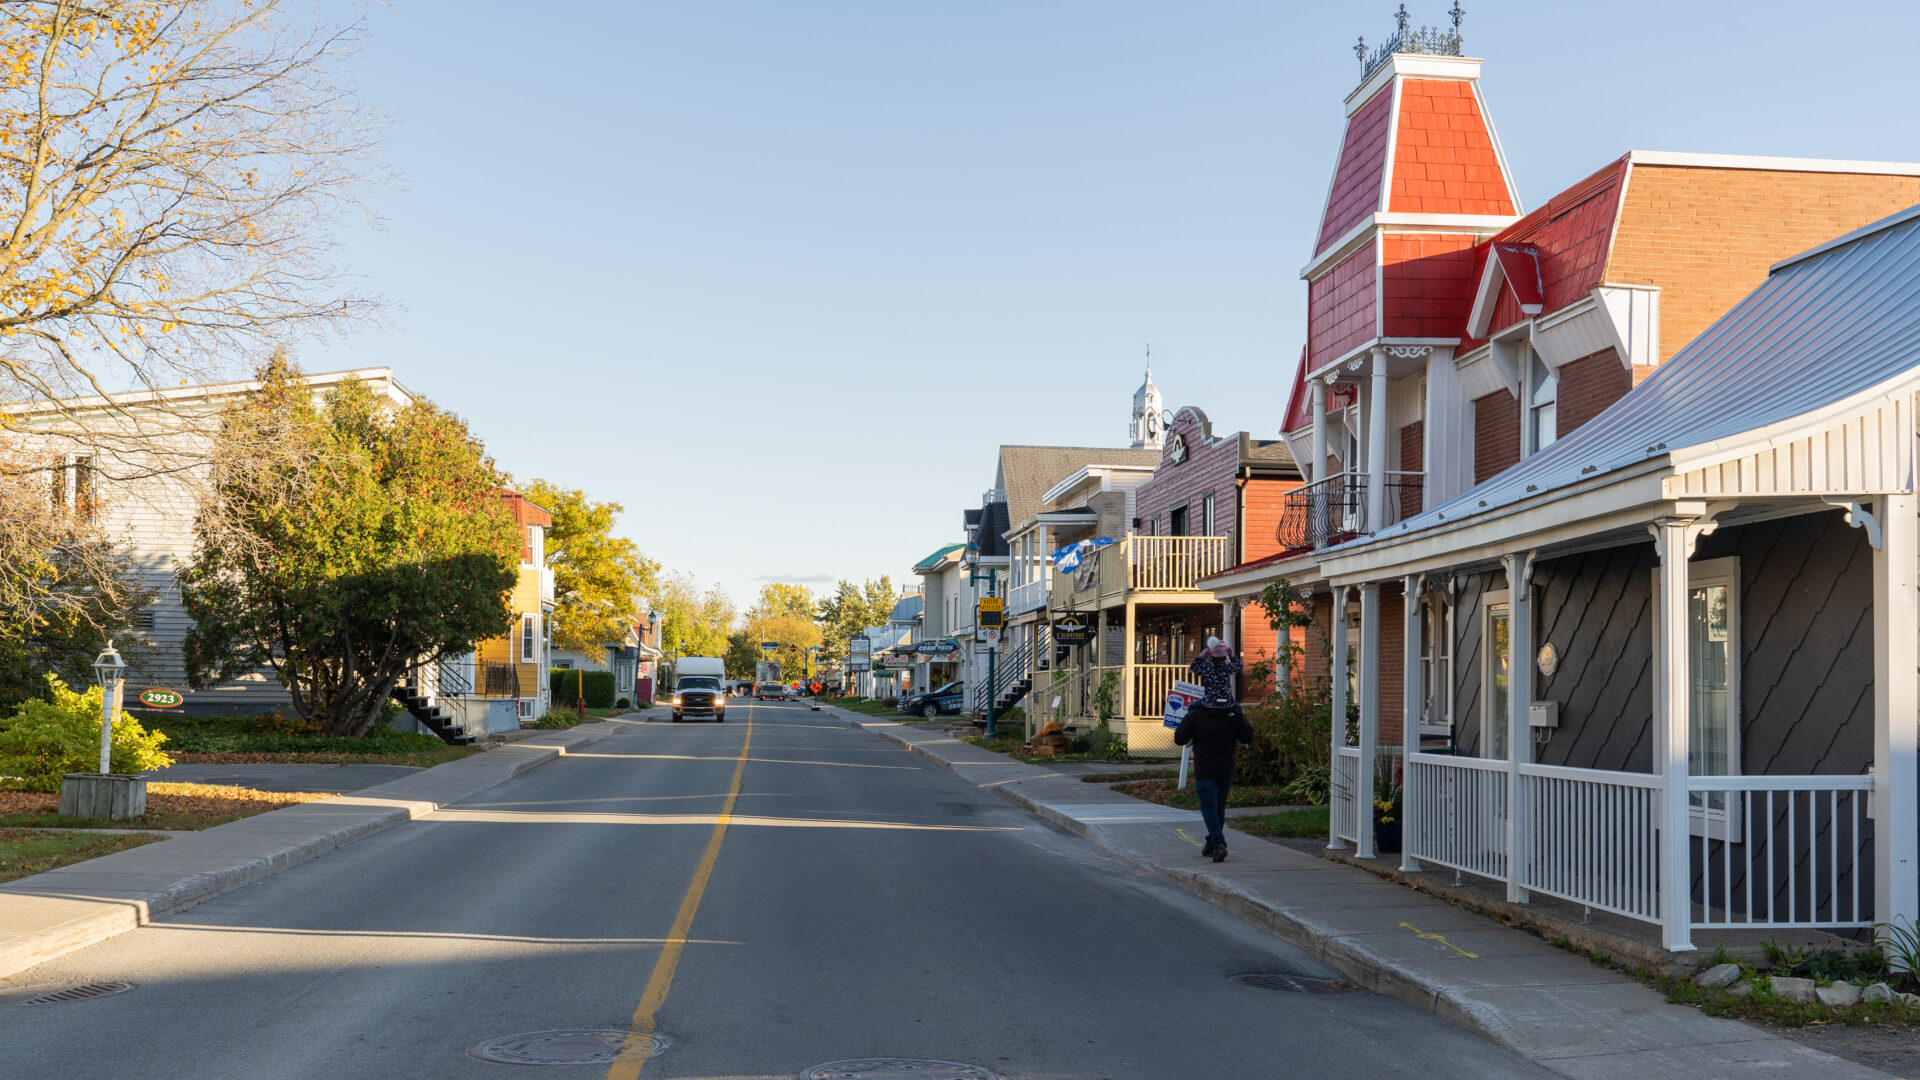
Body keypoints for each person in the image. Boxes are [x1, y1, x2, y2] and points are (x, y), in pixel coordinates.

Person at [1173, 635, 1253, 862]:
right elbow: (1248, 736)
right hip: (1226, 767)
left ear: (1211, 659)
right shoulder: (1234, 707)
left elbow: (1194, 666)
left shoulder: (1197, 711)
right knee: (1218, 808)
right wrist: (1230, 652)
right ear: (1225, 658)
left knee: (1209, 806)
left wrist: (1204, 653)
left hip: (1205, 768)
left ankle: (1218, 843)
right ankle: (1210, 843)